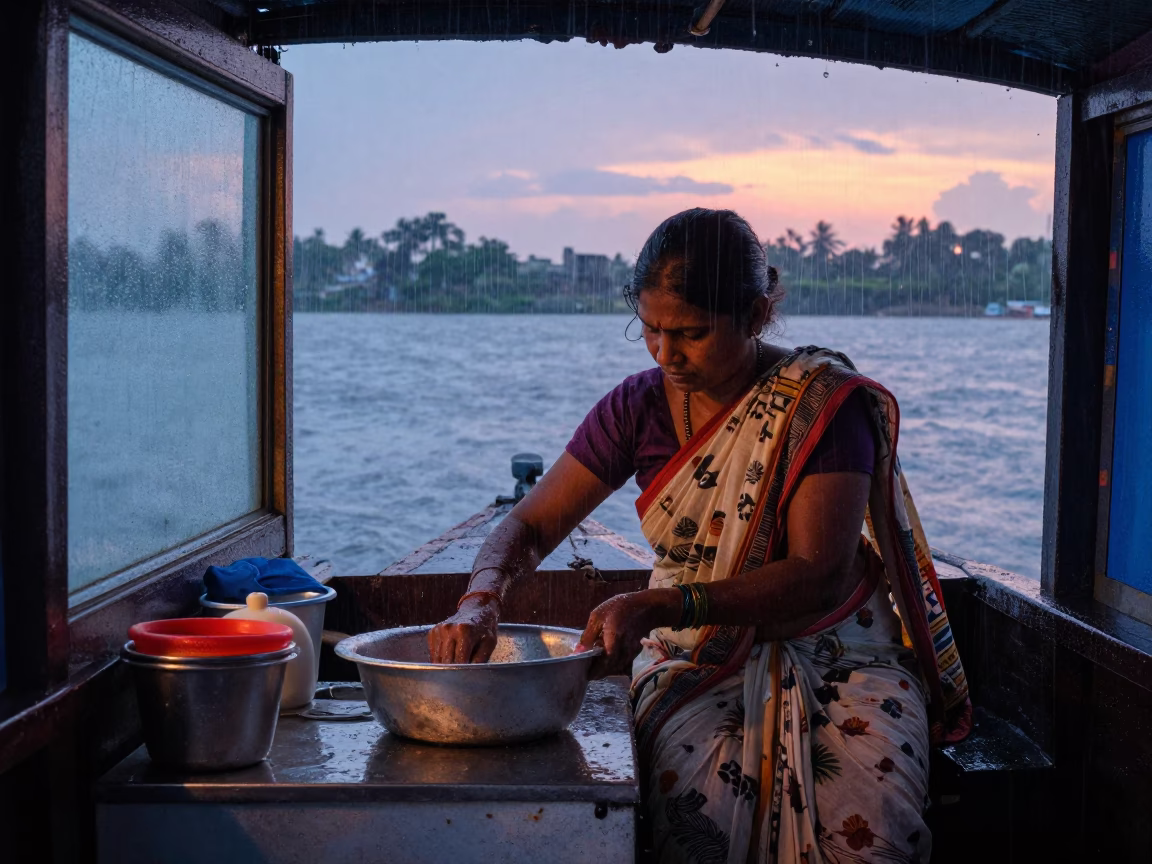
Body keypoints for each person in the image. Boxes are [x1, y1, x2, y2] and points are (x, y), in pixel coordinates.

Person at [429, 208, 971, 863]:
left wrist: (665, 604)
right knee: (689, 807)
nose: (668, 355)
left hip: (842, 654)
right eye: (651, 331)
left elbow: (818, 571)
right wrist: (481, 598)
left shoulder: (819, 406)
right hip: (695, 657)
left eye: (691, 333)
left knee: (876, 823)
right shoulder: (640, 406)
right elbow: (530, 523)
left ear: (756, 315)